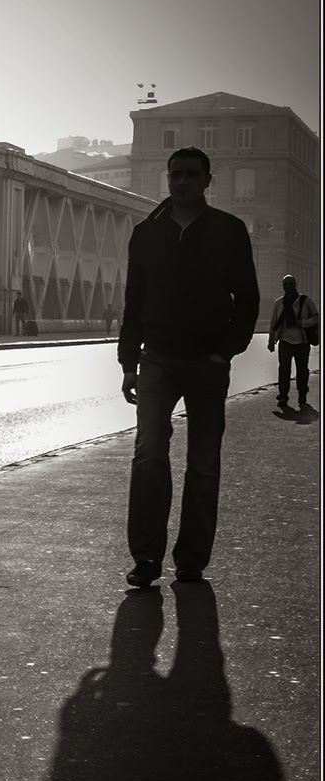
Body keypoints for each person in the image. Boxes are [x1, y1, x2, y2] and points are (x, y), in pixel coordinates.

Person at [118, 146, 260, 588]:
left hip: (206, 364)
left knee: (203, 463)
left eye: (191, 175)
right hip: (156, 359)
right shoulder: (146, 232)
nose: (182, 181)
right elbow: (134, 301)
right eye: (176, 174)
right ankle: (146, 558)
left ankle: (192, 561)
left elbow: (248, 298)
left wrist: (226, 351)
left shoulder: (229, 230)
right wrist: (128, 362)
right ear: (168, 178)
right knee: (148, 457)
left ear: (207, 181)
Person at [267, 274, 317, 412]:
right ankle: (283, 396)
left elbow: (316, 317)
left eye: (290, 283)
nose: (288, 286)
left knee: (302, 371)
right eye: (285, 284)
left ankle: (302, 394)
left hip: (302, 342)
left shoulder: (305, 301)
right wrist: (271, 340)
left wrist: (302, 323)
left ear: (295, 285)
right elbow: (273, 323)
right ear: (282, 286)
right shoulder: (279, 303)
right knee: (284, 370)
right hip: (285, 342)